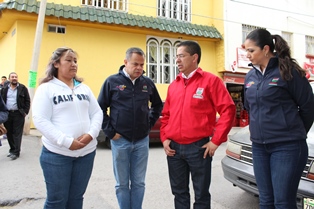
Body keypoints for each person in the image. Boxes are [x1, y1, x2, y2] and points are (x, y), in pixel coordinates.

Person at [243, 28, 314, 209]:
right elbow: (249, 107)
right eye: (246, 50)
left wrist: (293, 132)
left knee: (283, 202)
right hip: (259, 146)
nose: (247, 55)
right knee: (266, 201)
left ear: (266, 49)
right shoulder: (250, 76)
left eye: (251, 50)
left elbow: (308, 107)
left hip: (287, 146)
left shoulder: (288, 72)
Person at [160, 41, 236, 209]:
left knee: (201, 194)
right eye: (176, 56)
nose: (177, 60)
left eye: (181, 56)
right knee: (179, 193)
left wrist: (216, 141)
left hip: (199, 148)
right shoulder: (174, 85)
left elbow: (228, 110)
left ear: (194, 57)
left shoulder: (211, 81)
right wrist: (165, 138)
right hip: (174, 149)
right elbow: (166, 115)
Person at [32, 47, 103, 209]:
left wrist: (91, 135)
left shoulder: (83, 88)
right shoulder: (47, 88)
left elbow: (97, 113)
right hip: (57, 155)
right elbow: (40, 119)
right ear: (56, 63)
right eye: (69, 60)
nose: (74, 64)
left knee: (76, 199)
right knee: (57, 201)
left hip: (86, 154)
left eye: (75, 61)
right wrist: (66, 141)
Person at [98, 47, 163, 209]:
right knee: (122, 184)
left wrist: (148, 125)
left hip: (141, 141)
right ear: (125, 62)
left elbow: (157, 105)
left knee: (139, 183)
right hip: (120, 141)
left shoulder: (147, 83)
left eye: (142, 65)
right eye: (135, 64)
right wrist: (110, 132)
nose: (139, 68)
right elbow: (99, 108)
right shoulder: (112, 82)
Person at [0, 72, 30, 160]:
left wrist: (25, 112)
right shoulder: (4, 89)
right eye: (12, 77)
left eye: (16, 77)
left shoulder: (22, 88)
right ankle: (12, 149)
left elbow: (27, 101)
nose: (14, 78)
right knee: (9, 133)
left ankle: (16, 152)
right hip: (7, 114)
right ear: (9, 79)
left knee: (17, 133)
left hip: (18, 114)